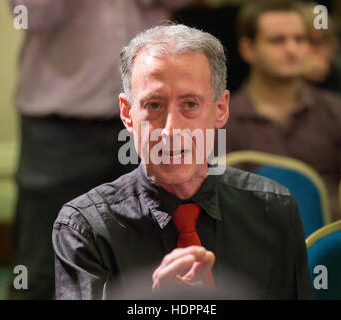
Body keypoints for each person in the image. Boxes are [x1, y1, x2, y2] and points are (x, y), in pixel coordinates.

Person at [52, 24, 312, 300]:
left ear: (220, 109)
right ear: (128, 114)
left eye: (189, 105)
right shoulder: (85, 228)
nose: (171, 131)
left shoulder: (274, 209)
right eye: (154, 105)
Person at [8, 0, 190, 299]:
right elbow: (31, 17)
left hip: (145, 122)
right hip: (61, 130)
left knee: (146, 260)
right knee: (42, 263)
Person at [226, 0, 341, 221]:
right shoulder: (220, 120)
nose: (292, 49)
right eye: (278, 40)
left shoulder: (339, 110)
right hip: (257, 243)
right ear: (248, 49)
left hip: (331, 239)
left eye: (300, 39)